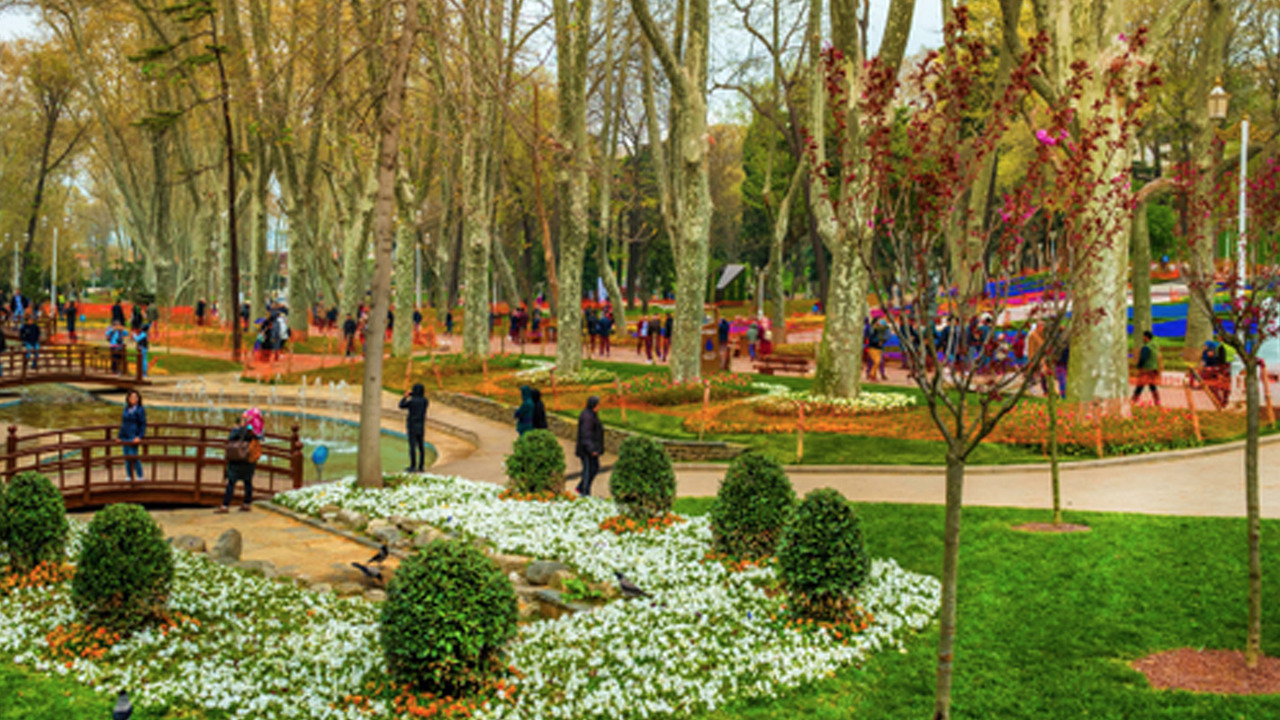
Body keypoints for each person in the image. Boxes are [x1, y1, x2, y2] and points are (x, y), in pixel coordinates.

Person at [217, 408, 262, 513]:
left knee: (231, 482)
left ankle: (225, 505)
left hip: (237, 458)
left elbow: (231, 437)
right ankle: (247, 503)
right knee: (248, 482)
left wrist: (236, 428)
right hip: (249, 458)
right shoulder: (257, 429)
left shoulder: (242, 429)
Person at [575, 396, 604, 497]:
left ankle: (581, 486)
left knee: (594, 468)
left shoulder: (591, 415)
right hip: (587, 450)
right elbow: (586, 434)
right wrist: (591, 449)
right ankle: (584, 492)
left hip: (591, 447)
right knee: (588, 469)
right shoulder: (587, 417)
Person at [399, 384, 429, 473]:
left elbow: (401, 405)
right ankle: (421, 466)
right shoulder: (425, 401)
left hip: (412, 426)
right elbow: (419, 398)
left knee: (412, 446)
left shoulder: (412, 402)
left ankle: (413, 466)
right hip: (421, 425)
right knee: (421, 446)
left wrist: (405, 396)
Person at [119, 390, 147, 483]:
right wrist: (119, 436)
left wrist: (139, 436)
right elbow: (123, 423)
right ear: (128, 399)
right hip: (125, 436)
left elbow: (143, 424)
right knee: (127, 457)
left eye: (135, 397)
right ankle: (129, 475)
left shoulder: (140, 409)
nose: (133, 399)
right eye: (132, 397)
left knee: (133, 456)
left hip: (133, 436)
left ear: (138, 399)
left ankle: (140, 475)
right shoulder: (126, 409)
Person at [1132, 330, 1161, 406]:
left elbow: (1143, 358)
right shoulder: (1155, 346)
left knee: (1140, 384)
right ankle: (1157, 400)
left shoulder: (1146, 347)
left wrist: (1139, 365)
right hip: (1153, 369)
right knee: (1152, 385)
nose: (1143, 338)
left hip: (1146, 369)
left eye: (1143, 336)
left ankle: (1134, 399)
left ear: (1146, 337)